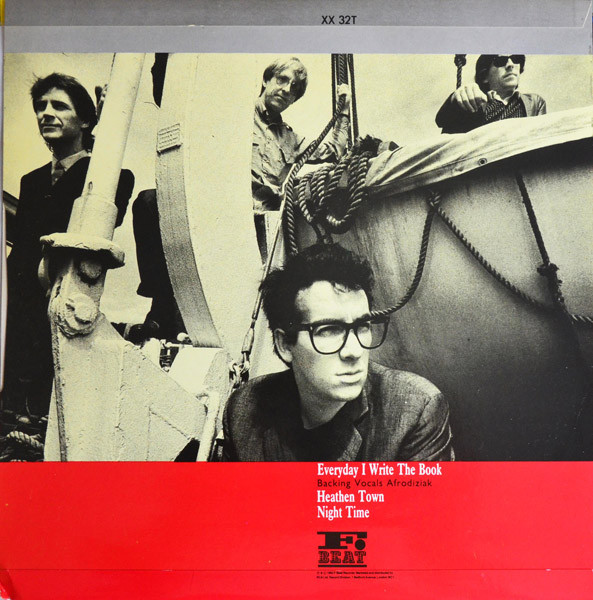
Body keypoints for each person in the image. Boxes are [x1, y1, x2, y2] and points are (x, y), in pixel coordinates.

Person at [223, 243, 454, 461]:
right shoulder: (245, 408)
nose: (354, 351)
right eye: (329, 330)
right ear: (284, 345)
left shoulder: (415, 411)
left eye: (362, 326)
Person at [2, 73, 134, 420]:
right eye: (40, 106)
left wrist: (106, 130)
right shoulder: (31, 181)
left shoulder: (110, 177)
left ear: (86, 120)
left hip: (62, 303)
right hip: (16, 309)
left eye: (59, 106)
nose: (46, 113)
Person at [252, 57, 351, 212]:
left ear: (293, 100)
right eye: (282, 79)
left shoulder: (290, 139)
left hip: (268, 218)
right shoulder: (238, 115)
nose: (287, 90)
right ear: (266, 80)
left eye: (294, 88)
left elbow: (334, 150)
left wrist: (343, 112)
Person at [435, 54, 547, 134]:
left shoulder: (534, 102)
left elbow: (541, 138)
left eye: (516, 58)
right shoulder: (475, 103)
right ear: (485, 76)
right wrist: (456, 98)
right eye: (500, 61)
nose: (510, 65)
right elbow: (442, 121)